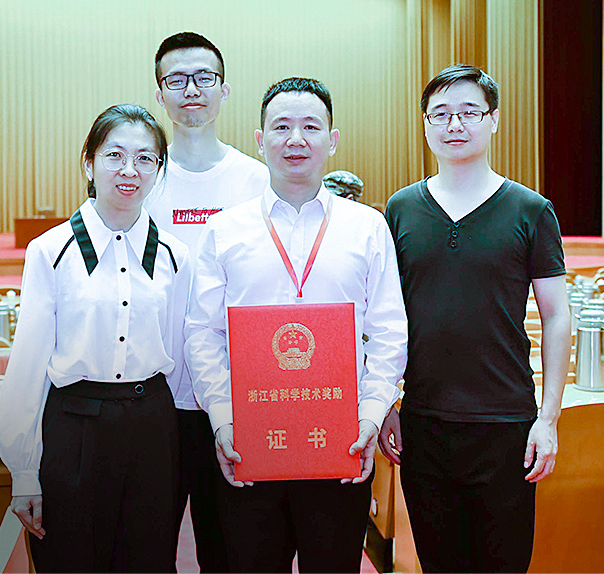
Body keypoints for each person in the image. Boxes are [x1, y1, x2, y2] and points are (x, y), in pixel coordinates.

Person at [184, 77, 407, 573]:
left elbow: (389, 329)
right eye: (281, 127)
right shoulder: (224, 230)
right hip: (251, 443)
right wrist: (223, 418)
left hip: (341, 440)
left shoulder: (367, 227)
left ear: (333, 139)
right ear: (259, 139)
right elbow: (203, 332)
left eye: (311, 126)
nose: (296, 139)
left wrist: (371, 415)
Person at [381, 64, 572, 573]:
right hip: (424, 422)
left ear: (494, 120)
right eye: (441, 113)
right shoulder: (400, 209)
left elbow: (556, 316)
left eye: (469, 112)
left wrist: (548, 419)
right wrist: (385, 402)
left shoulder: (531, 210)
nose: (455, 124)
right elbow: (383, 317)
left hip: (506, 423)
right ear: (425, 124)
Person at [0, 104, 189, 573]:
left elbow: (179, 361)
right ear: (89, 163)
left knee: (149, 563)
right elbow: (28, 364)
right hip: (73, 429)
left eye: (145, 158)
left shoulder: (175, 255)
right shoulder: (49, 251)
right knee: (70, 560)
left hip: (152, 428)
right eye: (115, 155)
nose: (130, 170)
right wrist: (24, 472)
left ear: (159, 170)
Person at [144, 31, 269, 573]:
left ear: (224, 88)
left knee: (231, 552)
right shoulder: (140, 176)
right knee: (149, 548)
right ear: (159, 94)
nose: (191, 89)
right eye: (177, 79)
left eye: (204, 78)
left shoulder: (256, 179)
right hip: (154, 397)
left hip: (236, 399)